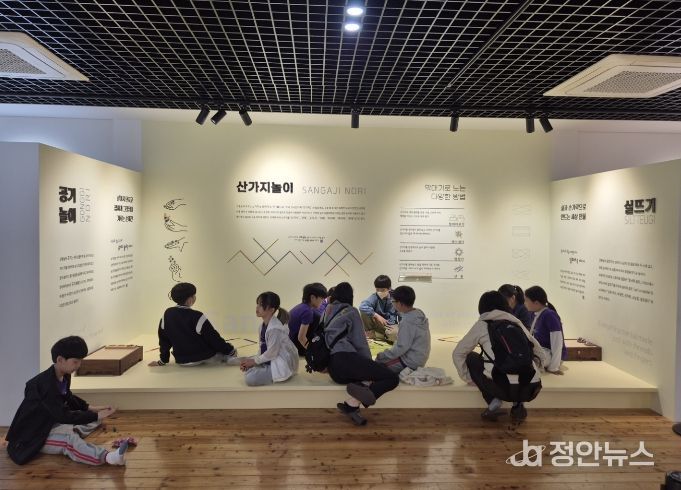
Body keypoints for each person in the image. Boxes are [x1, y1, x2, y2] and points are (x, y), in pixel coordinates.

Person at [5, 336, 132, 465]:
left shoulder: (63, 375)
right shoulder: (44, 386)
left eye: (80, 361)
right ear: (60, 360)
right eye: (75, 362)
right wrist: (96, 415)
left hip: (51, 422)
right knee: (69, 440)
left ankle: (69, 432)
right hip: (34, 436)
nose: (79, 365)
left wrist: (90, 408)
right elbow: (63, 415)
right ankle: (109, 457)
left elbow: (68, 396)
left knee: (93, 419)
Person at [452, 291, 547, 423]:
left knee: (471, 357)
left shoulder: (482, 324)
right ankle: (518, 404)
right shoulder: (516, 323)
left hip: (500, 387)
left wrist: (468, 378)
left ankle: (493, 401)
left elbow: (458, 353)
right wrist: (537, 370)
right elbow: (540, 352)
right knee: (519, 367)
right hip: (531, 387)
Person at [325, 282, 399, 425]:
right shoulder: (351, 311)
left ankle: (354, 402)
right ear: (350, 296)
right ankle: (352, 403)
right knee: (391, 378)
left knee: (372, 373)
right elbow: (360, 342)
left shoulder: (328, 310)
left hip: (333, 368)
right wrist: (369, 364)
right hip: (345, 361)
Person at [149, 282, 237, 367]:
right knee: (224, 352)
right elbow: (213, 337)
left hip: (181, 360)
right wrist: (230, 350)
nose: (195, 297)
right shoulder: (197, 316)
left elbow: (164, 340)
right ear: (190, 299)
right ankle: (228, 357)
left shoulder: (167, 314)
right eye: (194, 295)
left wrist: (162, 360)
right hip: (203, 356)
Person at [240, 291, 299, 386]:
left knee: (250, 379)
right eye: (257, 304)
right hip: (270, 358)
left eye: (261, 305)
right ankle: (260, 369)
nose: (257, 307)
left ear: (271, 310)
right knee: (247, 364)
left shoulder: (275, 328)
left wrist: (254, 362)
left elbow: (272, 353)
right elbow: (262, 348)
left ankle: (264, 371)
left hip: (280, 362)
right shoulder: (262, 326)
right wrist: (253, 362)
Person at [375, 285, 431, 373]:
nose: (392, 304)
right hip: (420, 357)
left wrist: (382, 355)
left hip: (409, 362)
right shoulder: (418, 313)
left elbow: (401, 347)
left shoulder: (407, 321)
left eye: (393, 301)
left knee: (377, 365)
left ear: (400, 303)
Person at [525, 285, 567, 375]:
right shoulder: (533, 314)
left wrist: (553, 367)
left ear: (536, 303)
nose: (525, 303)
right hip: (541, 350)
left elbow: (557, 343)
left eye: (526, 301)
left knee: (525, 363)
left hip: (550, 354)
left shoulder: (550, 315)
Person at [288, 282, 327, 355]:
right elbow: (301, 338)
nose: (322, 302)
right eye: (321, 298)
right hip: (293, 346)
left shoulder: (301, 307)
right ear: (312, 297)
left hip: (289, 341)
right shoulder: (307, 311)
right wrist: (313, 352)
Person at [359, 274, 399, 342]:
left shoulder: (396, 297)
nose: (379, 292)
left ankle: (385, 335)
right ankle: (370, 333)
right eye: (377, 290)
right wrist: (376, 315)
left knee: (397, 335)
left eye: (383, 290)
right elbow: (362, 306)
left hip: (390, 325)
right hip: (377, 323)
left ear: (389, 288)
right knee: (364, 312)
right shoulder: (374, 296)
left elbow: (402, 313)